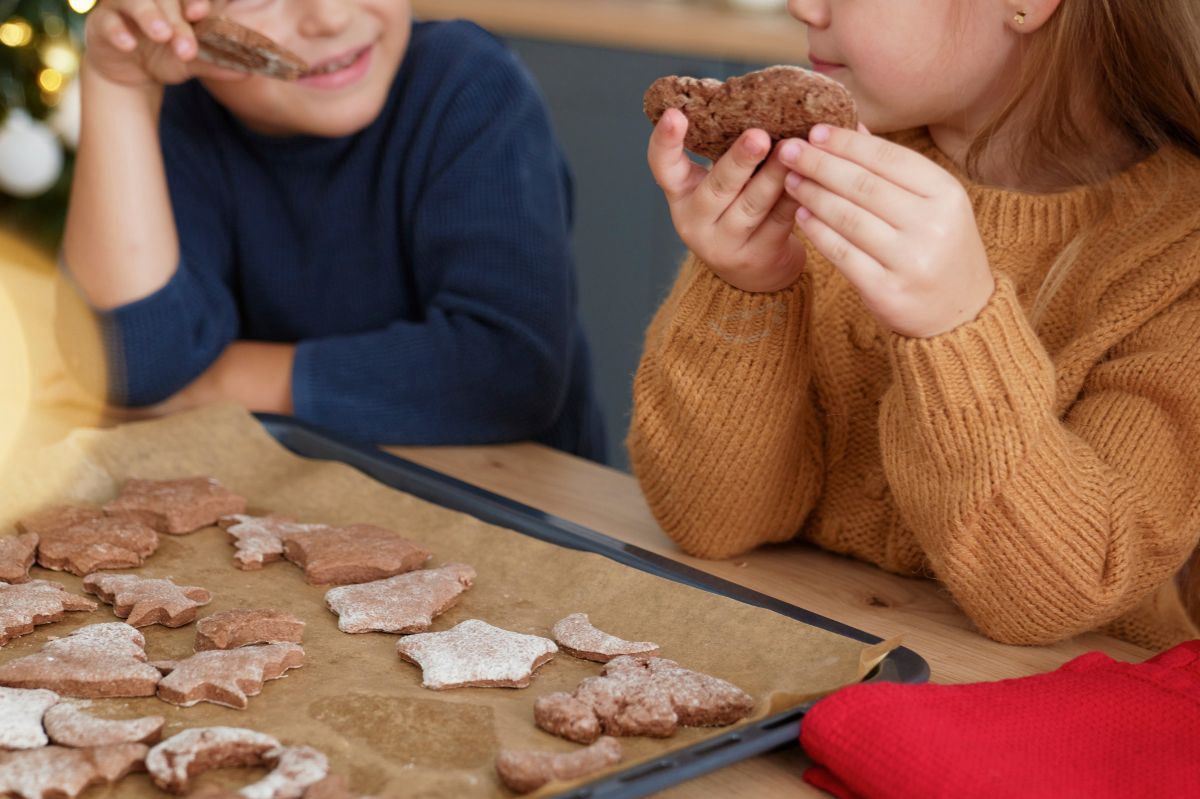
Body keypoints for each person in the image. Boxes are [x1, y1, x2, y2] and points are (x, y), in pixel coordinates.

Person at [629, 0, 1200, 649]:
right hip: (801, 664)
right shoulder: (821, 173)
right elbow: (710, 521)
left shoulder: (1182, 254)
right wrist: (747, 287)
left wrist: (952, 330)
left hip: (1044, 720)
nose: (799, 5)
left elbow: (1056, 594)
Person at [58, 0, 606, 461]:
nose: (328, 16)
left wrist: (211, 384)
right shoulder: (184, 114)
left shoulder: (468, 84)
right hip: (289, 496)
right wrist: (118, 85)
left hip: (517, 503)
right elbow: (128, 365)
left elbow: (505, 374)